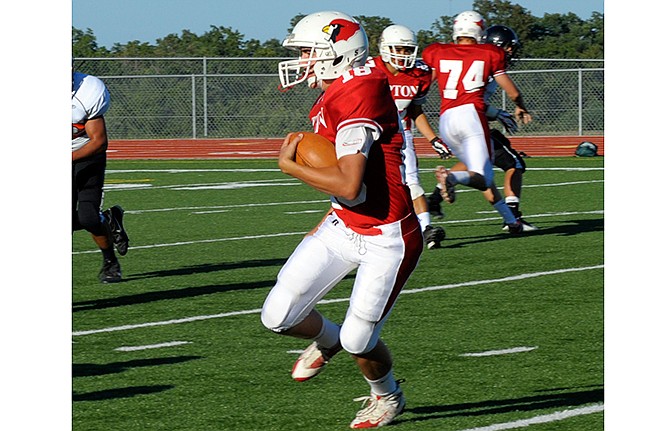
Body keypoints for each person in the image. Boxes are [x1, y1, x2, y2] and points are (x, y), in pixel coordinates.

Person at [262, 11, 423, 429]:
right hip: (343, 224)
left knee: (360, 339)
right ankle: (327, 341)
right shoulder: (343, 86)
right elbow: (347, 194)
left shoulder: (357, 93)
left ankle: (387, 396)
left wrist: (290, 166)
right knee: (277, 315)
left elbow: (349, 184)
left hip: (387, 236)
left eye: (307, 53)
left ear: (337, 52)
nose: (300, 62)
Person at [422, 11, 532, 233]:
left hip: (446, 120)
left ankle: (511, 220)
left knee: (477, 169)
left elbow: (424, 86)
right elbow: (509, 93)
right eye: (508, 47)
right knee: (495, 171)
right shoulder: (489, 56)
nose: (510, 51)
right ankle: (450, 180)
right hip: (472, 118)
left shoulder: (440, 52)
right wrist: (517, 107)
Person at [369, 24, 448, 249]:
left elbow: (415, 110)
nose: (403, 54)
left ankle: (425, 229)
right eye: (399, 49)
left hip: (400, 133)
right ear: (385, 48)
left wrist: (433, 139)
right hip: (367, 132)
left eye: (407, 49)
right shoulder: (368, 69)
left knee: (411, 180)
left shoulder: (418, 75)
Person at [72, 69, 130, 283]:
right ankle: (109, 219)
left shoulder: (88, 91)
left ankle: (110, 261)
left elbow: (99, 142)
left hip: (86, 154)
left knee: (87, 216)